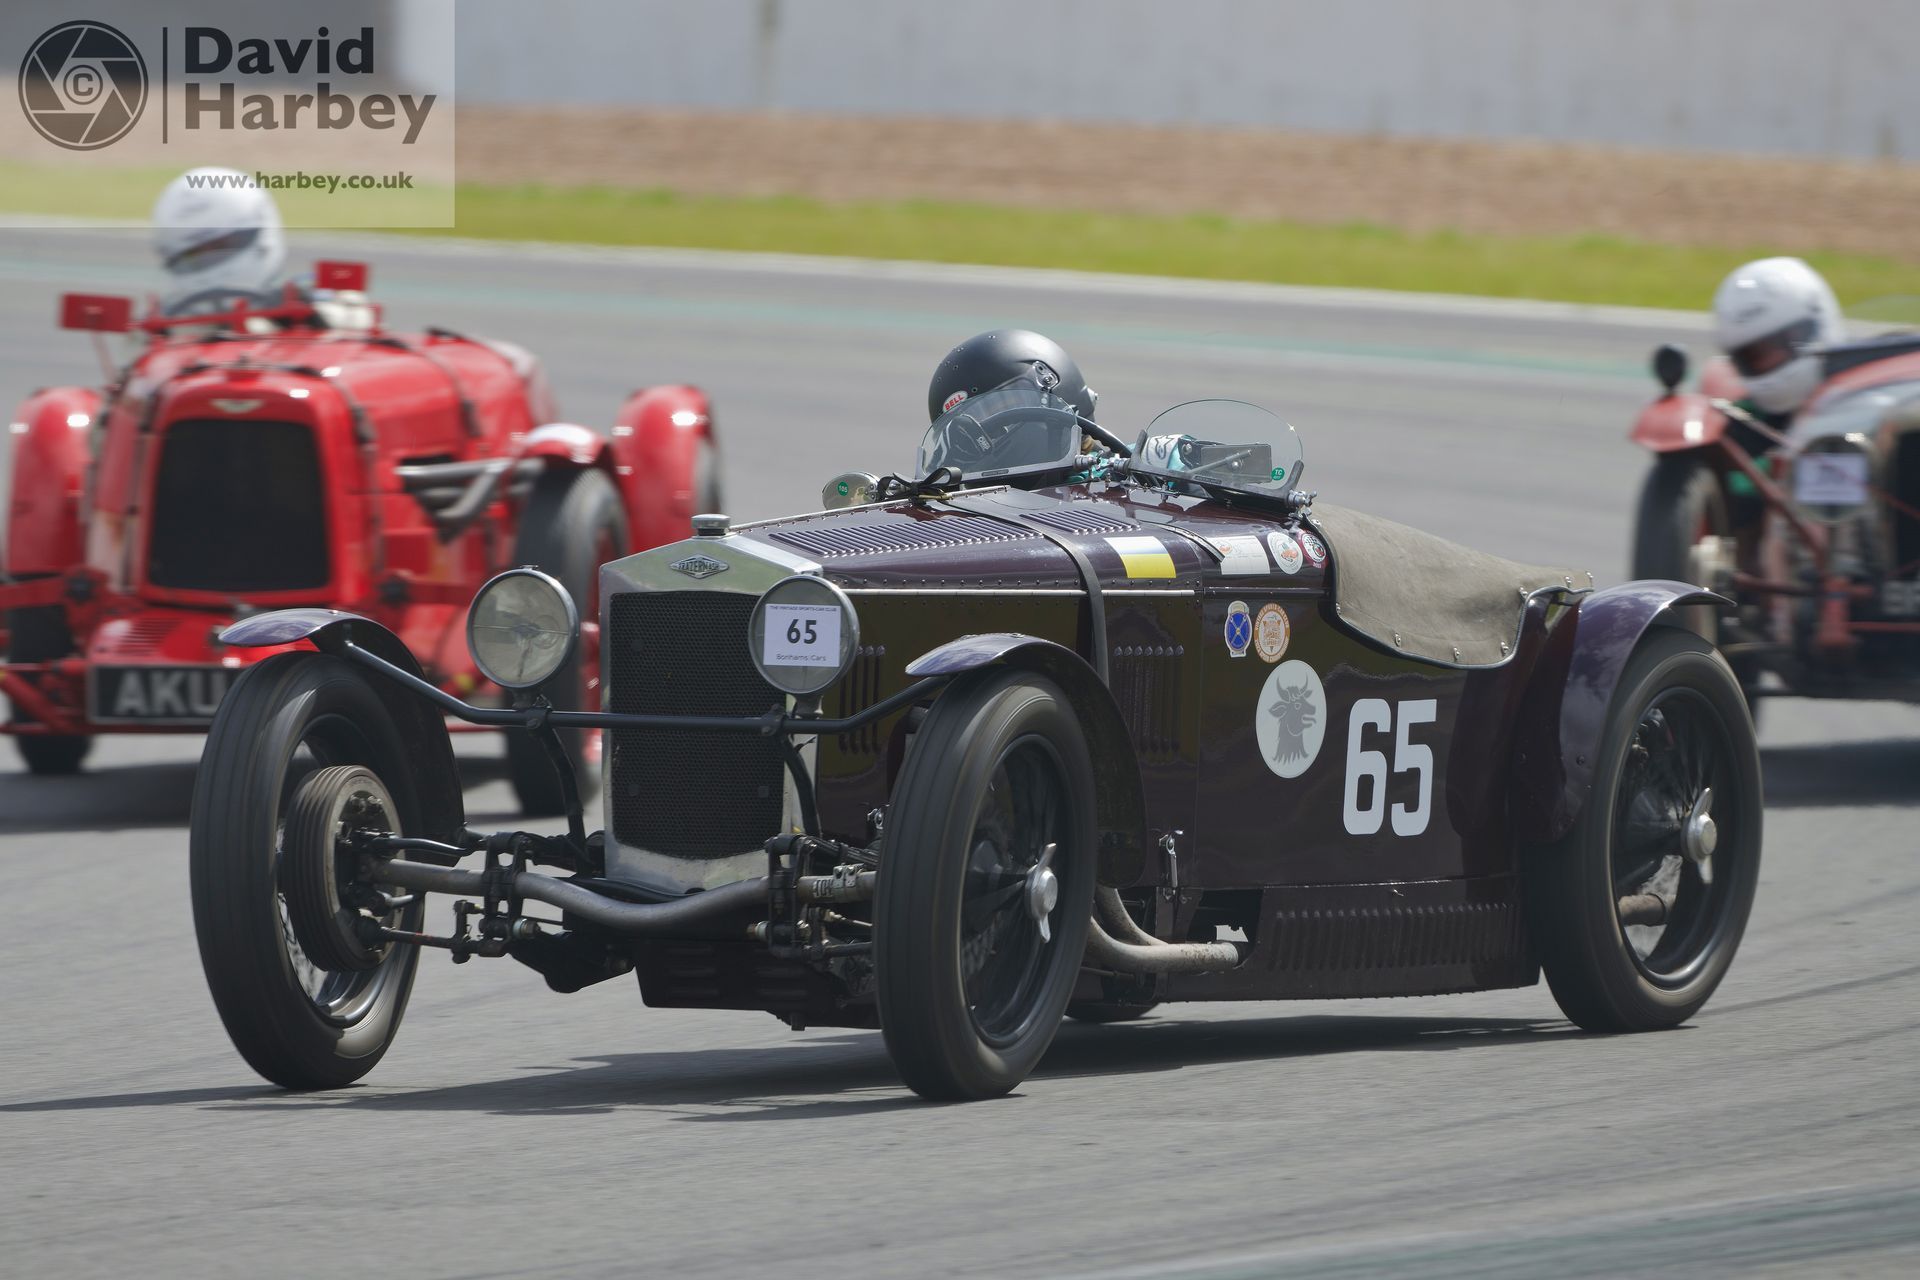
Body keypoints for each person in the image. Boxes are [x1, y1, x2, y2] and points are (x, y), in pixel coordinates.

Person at [151, 167, 288, 315]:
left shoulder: (309, 315)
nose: (208, 257)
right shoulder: (161, 329)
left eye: (221, 246)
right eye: (192, 255)